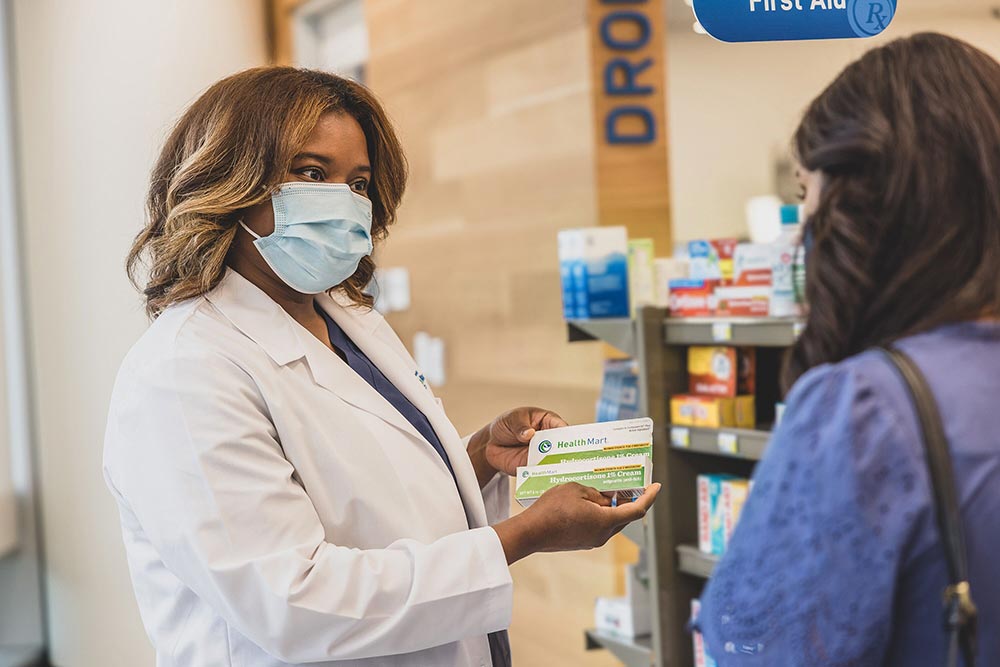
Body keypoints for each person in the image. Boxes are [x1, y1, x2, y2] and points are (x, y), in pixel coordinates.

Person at [103, 67, 660, 667]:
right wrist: (524, 536)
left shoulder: (344, 317)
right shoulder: (186, 371)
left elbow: (366, 498)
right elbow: (294, 603)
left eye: (359, 182)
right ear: (230, 181)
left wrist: (478, 460)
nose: (343, 202)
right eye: (311, 173)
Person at [694, 33, 1000, 666]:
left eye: (806, 194)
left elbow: (760, 646)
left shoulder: (865, 408)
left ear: (866, 205)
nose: (800, 229)